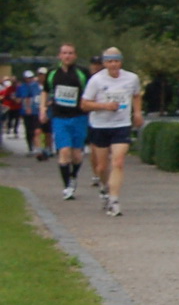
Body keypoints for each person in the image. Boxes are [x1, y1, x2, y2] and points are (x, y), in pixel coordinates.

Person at [81, 47, 143, 217]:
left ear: (121, 62)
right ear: (104, 63)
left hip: (121, 125)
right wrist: (104, 106)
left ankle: (114, 200)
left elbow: (136, 95)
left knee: (118, 161)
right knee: (102, 167)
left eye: (116, 61)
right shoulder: (96, 80)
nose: (113, 65)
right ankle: (104, 188)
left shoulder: (131, 78)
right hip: (100, 126)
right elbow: (84, 104)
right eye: (109, 62)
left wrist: (137, 112)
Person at [42, 43, 90, 199]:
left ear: (75, 56)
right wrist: (43, 109)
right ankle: (67, 187)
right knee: (64, 151)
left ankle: (73, 176)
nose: (67, 56)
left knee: (76, 155)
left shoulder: (82, 73)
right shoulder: (52, 73)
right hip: (60, 117)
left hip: (79, 117)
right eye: (64, 53)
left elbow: (91, 91)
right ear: (59, 56)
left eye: (70, 53)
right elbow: (45, 91)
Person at [15, 69, 44, 159]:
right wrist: (27, 107)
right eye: (27, 78)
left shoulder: (36, 86)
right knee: (28, 130)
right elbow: (20, 98)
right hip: (26, 112)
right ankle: (30, 147)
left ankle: (39, 147)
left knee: (37, 130)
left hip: (36, 111)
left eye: (30, 77)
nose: (29, 79)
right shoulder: (22, 87)